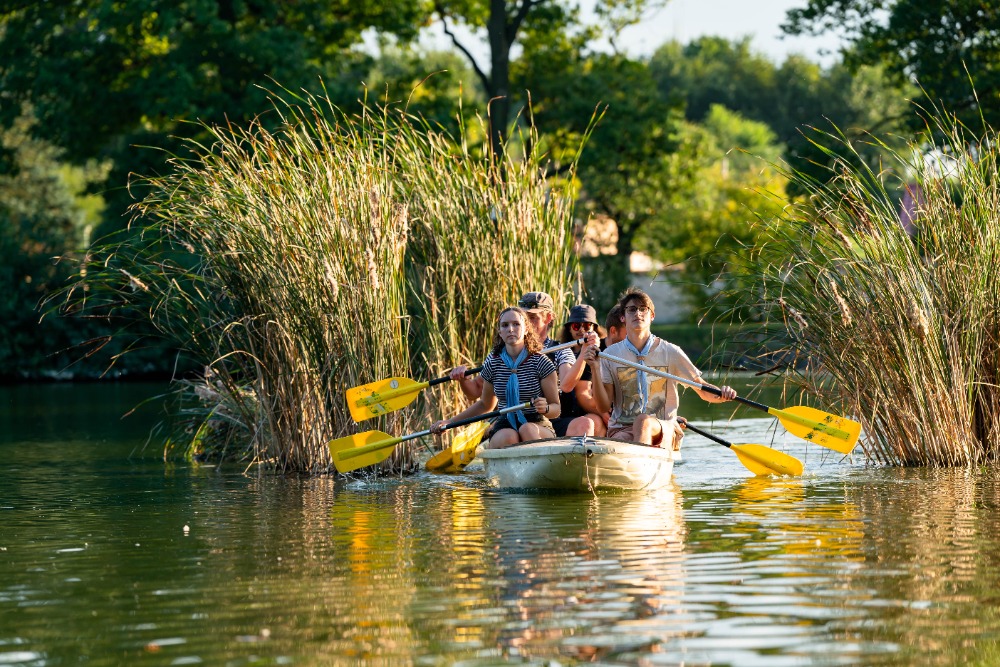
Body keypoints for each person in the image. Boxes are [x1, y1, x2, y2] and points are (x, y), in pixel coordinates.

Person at [586, 287, 737, 450]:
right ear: (623, 317)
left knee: (643, 421)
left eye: (643, 309)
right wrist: (594, 367)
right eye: (632, 309)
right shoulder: (610, 355)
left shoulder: (671, 352)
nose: (638, 313)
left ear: (652, 316)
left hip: (663, 428)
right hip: (622, 429)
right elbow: (602, 407)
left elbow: (701, 388)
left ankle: (638, 465)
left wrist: (722, 394)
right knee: (626, 434)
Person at [431, 307, 561, 448]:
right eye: (505, 325)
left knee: (527, 429)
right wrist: (450, 422)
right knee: (508, 437)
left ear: (526, 329)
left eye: (516, 324)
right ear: (500, 332)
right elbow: (485, 405)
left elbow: (556, 409)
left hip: (537, 422)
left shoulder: (541, 362)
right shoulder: (493, 363)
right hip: (505, 422)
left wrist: (546, 408)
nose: (510, 329)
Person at [447, 291, 577, 400]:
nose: (527, 323)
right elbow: (475, 391)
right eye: (523, 318)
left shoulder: (561, 351)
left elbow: (567, 385)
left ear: (548, 318)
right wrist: (463, 380)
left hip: (549, 417)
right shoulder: (502, 352)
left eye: (532, 317)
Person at [549, 304, 607, 438]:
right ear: (569, 328)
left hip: (590, 409)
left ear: (594, 328)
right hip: (563, 412)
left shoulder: (603, 351)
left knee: (595, 422)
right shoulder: (557, 351)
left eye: (586, 326)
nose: (581, 330)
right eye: (576, 326)